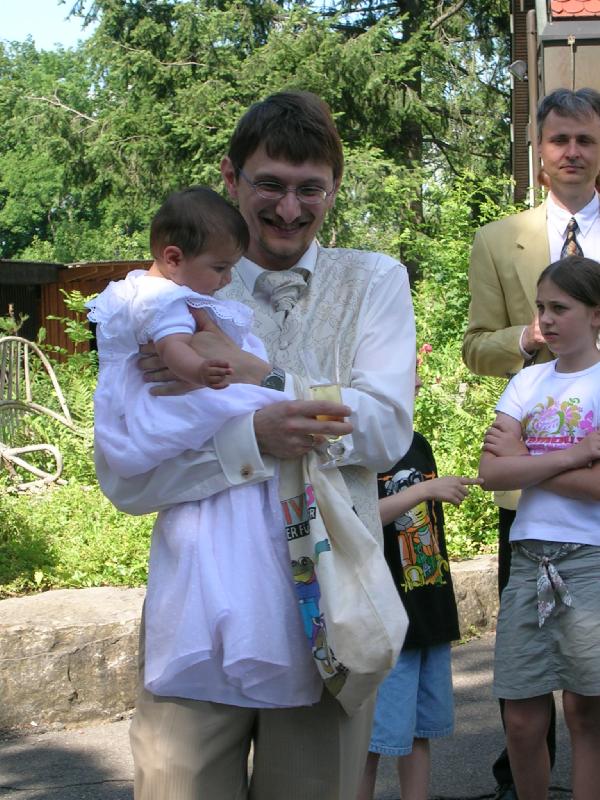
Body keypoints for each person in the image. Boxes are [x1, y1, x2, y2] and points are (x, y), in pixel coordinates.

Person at [94, 90, 416, 800]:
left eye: (311, 189)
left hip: (328, 613)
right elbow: (125, 478)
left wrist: (261, 378)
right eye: (270, 183)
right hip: (201, 615)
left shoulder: (375, 280)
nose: (290, 208)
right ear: (230, 177)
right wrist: (253, 437)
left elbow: (389, 431)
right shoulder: (165, 296)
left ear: (334, 187)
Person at [88, 185, 333, 705]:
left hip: (188, 411)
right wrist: (206, 371)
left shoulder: (144, 290)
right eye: (220, 270)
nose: (225, 281)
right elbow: (176, 350)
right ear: (174, 257)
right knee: (263, 403)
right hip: (181, 392)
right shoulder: (167, 301)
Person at [462, 86, 600, 800]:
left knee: (593, 685)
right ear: (539, 152)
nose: (572, 152)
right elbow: (475, 346)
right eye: (559, 140)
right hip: (531, 487)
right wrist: (530, 336)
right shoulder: (498, 239)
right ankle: (522, 784)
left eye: (586, 140)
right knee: (526, 670)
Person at [479, 255, 600, 800]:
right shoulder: (527, 381)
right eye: (541, 307)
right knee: (522, 721)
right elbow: (491, 473)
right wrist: (572, 456)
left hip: (590, 559)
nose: (545, 320)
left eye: (560, 308)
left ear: (596, 315)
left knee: (586, 714)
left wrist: (526, 458)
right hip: (529, 561)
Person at [357, 370, 480, 800]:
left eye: (415, 375)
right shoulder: (361, 449)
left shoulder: (418, 443)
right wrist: (425, 491)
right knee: (370, 742)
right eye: (405, 374)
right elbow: (358, 519)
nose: (418, 383)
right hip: (386, 618)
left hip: (428, 609)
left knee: (417, 733)